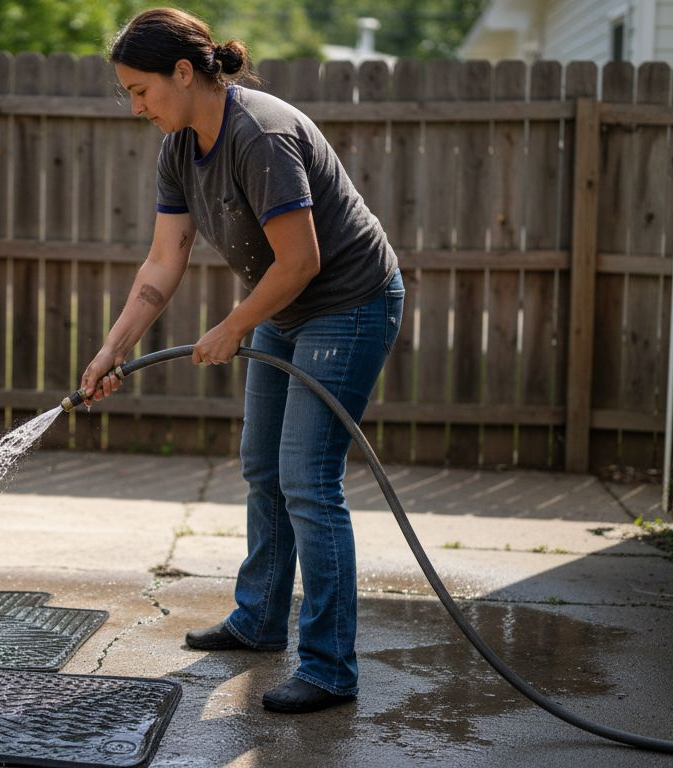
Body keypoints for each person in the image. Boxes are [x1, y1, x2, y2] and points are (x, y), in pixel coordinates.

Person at [80, 8, 404, 715]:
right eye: (127, 94)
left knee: (308, 480)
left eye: (141, 90)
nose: (135, 106)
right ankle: (259, 621)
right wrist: (113, 348)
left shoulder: (259, 135)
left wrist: (231, 325)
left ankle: (328, 668)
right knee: (262, 463)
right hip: (286, 306)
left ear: (185, 72)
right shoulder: (178, 147)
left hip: (348, 301)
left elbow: (303, 260)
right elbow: (163, 264)